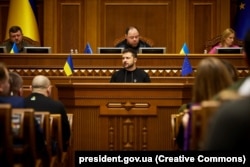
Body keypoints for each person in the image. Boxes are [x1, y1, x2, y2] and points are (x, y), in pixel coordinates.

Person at [204, 30, 250, 151]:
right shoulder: (215, 49)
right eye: (229, 38)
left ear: (245, 59)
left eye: (233, 38)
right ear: (224, 38)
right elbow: (207, 60)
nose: (232, 40)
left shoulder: (227, 110)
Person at [176, 57, 233, 150]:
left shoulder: (190, 115)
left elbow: (181, 145)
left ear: (198, 83)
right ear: (225, 78)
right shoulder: (238, 110)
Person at [24, 75, 71, 151]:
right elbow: (66, 135)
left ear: (30, 88)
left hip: (25, 152)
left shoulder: (21, 104)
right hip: (47, 153)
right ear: (49, 89)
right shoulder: (57, 106)